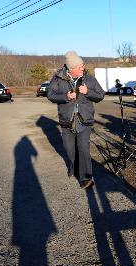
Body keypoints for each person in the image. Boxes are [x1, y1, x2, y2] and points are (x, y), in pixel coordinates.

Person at [47, 50, 105, 189]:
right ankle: (74, 167)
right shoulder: (58, 78)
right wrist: (65, 97)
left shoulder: (89, 79)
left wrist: (88, 92)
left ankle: (86, 178)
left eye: (82, 65)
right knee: (69, 149)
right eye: (79, 67)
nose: (82, 68)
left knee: (83, 148)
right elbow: (50, 94)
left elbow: (101, 95)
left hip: (84, 120)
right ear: (71, 69)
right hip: (66, 120)